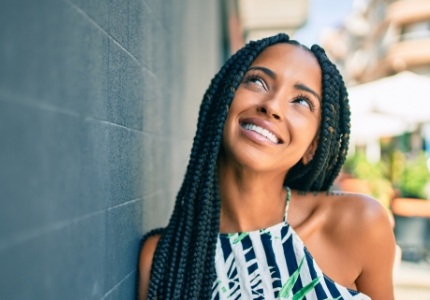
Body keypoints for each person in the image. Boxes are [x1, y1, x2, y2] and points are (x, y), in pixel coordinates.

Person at [137, 33, 396, 300]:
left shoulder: (359, 225)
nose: (272, 106)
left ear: (313, 147)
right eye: (258, 81)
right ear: (223, 100)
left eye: (302, 101)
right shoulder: (164, 261)